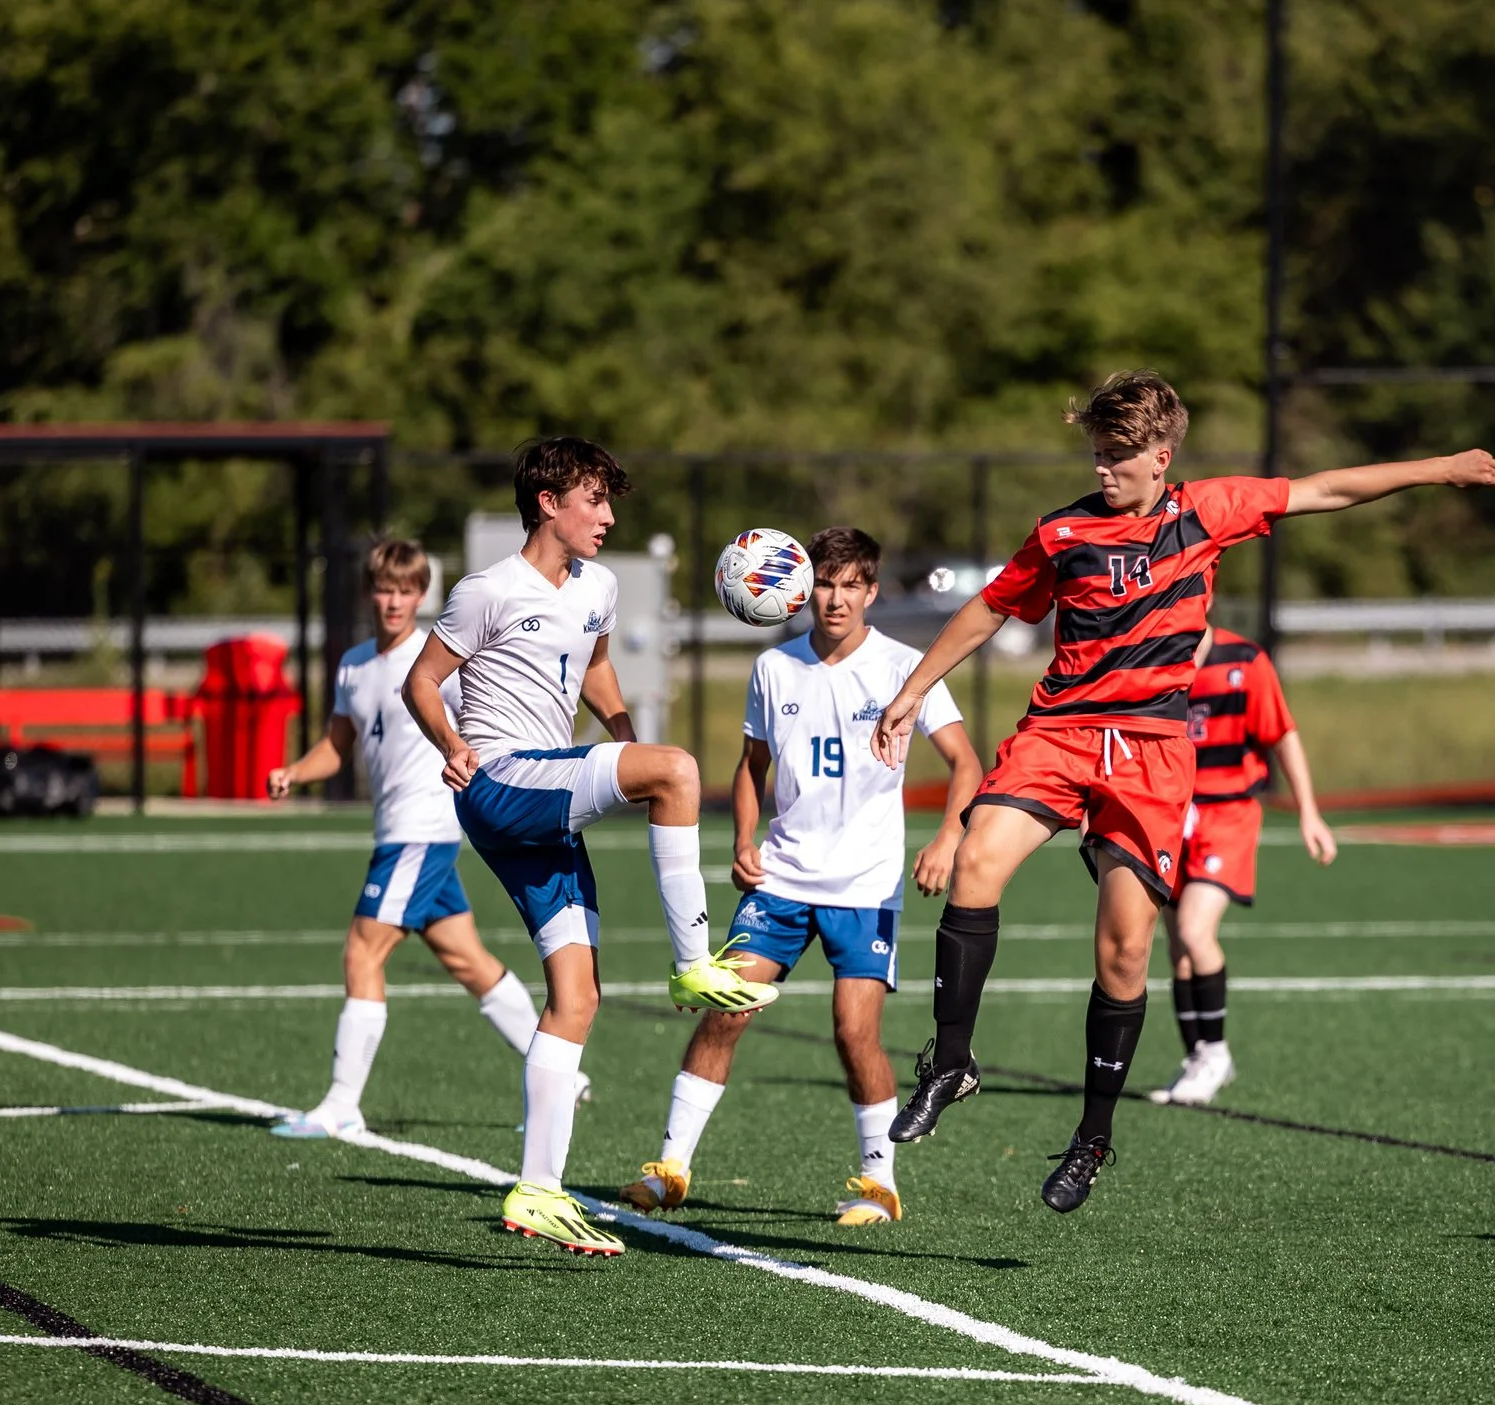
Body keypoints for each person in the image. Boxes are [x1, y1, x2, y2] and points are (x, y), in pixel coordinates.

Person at [871, 369, 1495, 1212]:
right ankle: (951, 1062)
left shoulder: (1207, 511)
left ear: (1162, 457)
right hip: (1058, 733)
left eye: (1119, 458)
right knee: (978, 861)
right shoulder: (1061, 533)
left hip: (1153, 752)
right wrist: (913, 691)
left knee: (1126, 949)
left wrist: (1436, 467)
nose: (1103, 470)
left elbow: (1324, 487)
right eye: (1097, 454)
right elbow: (988, 611)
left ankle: (1092, 1138)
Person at [404, 437, 779, 1259]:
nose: (608, 516)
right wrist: (450, 742)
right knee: (679, 771)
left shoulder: (598, 586)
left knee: (577, 994)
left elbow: (596, 669)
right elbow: (421, 681)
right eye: (593, 500)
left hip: (544, 794)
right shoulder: (487, 591)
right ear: (547, 502)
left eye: (611, 500)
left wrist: (621, 736)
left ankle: (538, 1189)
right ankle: (692, 962)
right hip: (502, 783)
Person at [616, 527, 983, 1227]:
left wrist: (948, 836)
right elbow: (751, 765)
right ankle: (669, 1170)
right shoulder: (774, 667)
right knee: (727, 1011)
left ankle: (879, 1183)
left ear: (873, 591)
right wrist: (744, 837)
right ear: (803, 588)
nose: (836, 599)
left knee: (853, 1032)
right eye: (824, 583)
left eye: (851, 586)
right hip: (781, 878)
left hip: (865, 885)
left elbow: (967, 763)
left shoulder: (908, 666)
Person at [265, 540, 570, 1140]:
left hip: (422, 832)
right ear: (368, 592)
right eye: (385, 588)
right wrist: (294, 773)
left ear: (422, 594)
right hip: (397, 833)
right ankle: (564, 1077)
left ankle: (342, 1105)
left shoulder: (440, 665)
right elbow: (338, 746)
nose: (394, 601)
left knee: (362, 952)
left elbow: (491, 719)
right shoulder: (353, 664)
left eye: (407, 590)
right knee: (468, 961)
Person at [1150, 628, 1336, 1106]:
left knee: (1195, 931)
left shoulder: (1245, 660)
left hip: (1228, 814)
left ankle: (1215, 1053)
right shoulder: (1153, 655)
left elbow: (1283, 735)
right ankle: (1196, 1059)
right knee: (1177, 949)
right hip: (1171, 815)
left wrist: (1308, 811)